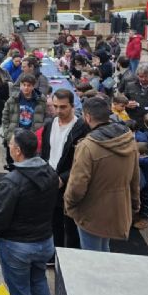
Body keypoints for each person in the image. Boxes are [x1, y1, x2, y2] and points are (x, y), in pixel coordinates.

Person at [0, 129, 57, 295]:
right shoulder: (50, 173)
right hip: (44, 242)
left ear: (17, 150)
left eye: (10, 144)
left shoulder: (12, 182)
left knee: (20, 293)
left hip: (18, 247)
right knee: (39, 281)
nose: (8, 146)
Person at [64, 97, 140, 252]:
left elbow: (77, 185)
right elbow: (135, 177)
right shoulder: (128, 139)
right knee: (105, 251)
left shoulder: (88, 146)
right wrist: (134, 203)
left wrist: (69, 204)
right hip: (117, 208)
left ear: (87, 117)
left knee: (92, 257)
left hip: (91, 212)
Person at [40, 89, 88, 251]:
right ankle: (55, 253)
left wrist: (64, 178)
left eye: (63, 107)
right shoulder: (49, 124)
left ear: (73, 106)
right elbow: (46, 152)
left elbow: (82, 162)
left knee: (70, 225)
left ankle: (69, 257)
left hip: (69, 182)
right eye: (55, 106)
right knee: (53, 221)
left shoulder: (81, 128)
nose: (58, 111)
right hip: (50, 179)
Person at [2, 74, 46, 171]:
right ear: (20, 85)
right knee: (11, 163)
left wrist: (38, 134)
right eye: (24, 85)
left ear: (33, 86)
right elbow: (5, 116)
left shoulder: (41, 100)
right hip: (14, 136)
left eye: (29, 85)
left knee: (28, 166)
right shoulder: (13, 99)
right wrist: (7, 133)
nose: (26, 88)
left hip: (30, 138)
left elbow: (45, 117)